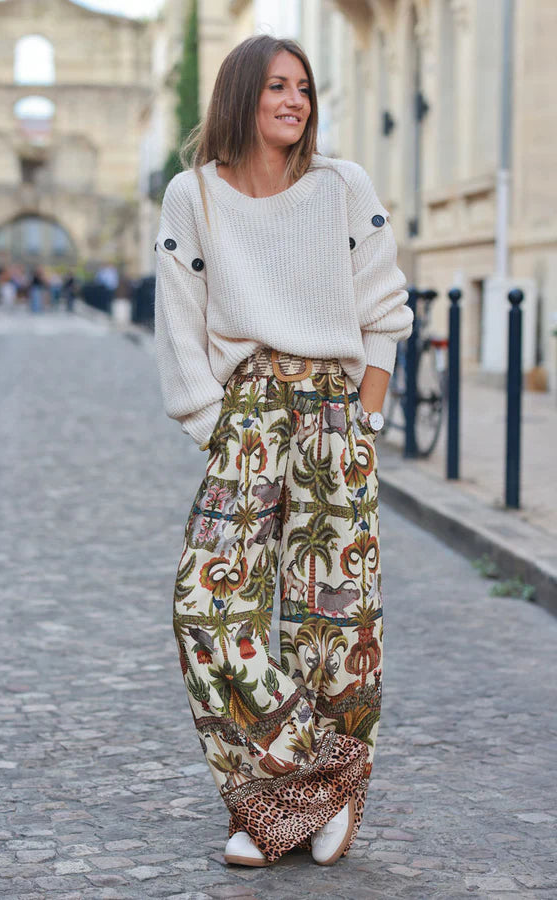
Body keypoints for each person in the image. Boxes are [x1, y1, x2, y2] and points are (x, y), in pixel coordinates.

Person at [153, 35, 413, 869]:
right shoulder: (192, 196)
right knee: (205, 605)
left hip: (335, 411)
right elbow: (179, 321)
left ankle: (289, 809)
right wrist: (213, 427)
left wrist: (365, 423)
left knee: (333, 615)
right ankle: (296, 784)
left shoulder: (342, 188)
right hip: (248, 412)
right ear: (240, 95)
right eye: (276, 86)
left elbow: (384, 310)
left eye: (302, 87)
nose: (294, 100)